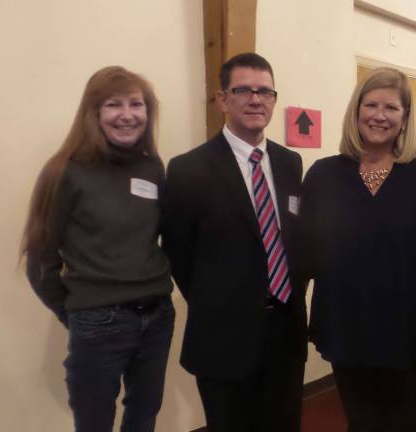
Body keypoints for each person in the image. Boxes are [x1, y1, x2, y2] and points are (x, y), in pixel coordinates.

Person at [22, 66, 174, 432]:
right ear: (93, 113)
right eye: (113, 104)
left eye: (136, 104)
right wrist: (77, 310)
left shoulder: (152, 167)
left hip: (157, 316)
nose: (127, 114)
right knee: (94, 423)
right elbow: (41, 260)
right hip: (99, 321)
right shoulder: (64, 172)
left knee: (145, 414)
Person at [162, 52, 306, 432]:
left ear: (274, 99)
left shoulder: (291, 163)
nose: (255, 99)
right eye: (243, 90)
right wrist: (221, 300)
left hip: (285, 334)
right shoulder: (187, 169)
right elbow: (179, 255)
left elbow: (294, 242)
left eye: (265, 91)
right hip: (224, 336)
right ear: (223, 99)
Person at [299, 67, 416, 432]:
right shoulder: (323, 175)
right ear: (356, 110)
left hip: (408, 328)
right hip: (349, 325)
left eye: (392, 108)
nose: (380, 115)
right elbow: (307, 249)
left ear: (405, 117)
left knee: (403, 422)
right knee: (360, 420)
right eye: (371, 104)